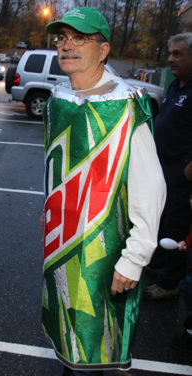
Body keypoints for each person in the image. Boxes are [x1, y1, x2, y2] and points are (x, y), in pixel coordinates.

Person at [42, 7, 166, 374]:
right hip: (61, 252)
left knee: (99, 355)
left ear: (104, 48)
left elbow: (151, 189)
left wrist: (134, 258)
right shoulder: (58, 100)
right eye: (62, 38)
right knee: (70, 353)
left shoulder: (127, 106)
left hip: (106, 258)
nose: (67, 46)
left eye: (80, 38)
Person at [144, 32, 192, 300]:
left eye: (178, 54)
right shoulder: (176, 86)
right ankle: (159, 262)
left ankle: (170, 281)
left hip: (181, 169)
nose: (170, 58)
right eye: (170, 52)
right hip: (163, 166)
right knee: (162, 217)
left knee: (176, 224)